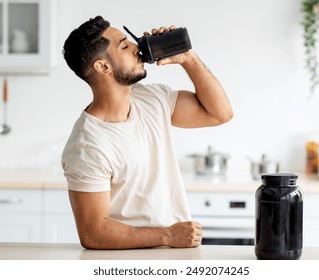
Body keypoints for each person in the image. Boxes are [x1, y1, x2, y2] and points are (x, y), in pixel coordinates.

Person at [61, 16, 233, 250]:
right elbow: (93, 233)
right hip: (126, 262)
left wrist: (187, 58)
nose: (136, 47)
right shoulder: (86, 145)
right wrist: (167, 236)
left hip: (175, 254)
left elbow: (219, 113)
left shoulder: (152, 99)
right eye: (124, 45)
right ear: (103, 67)